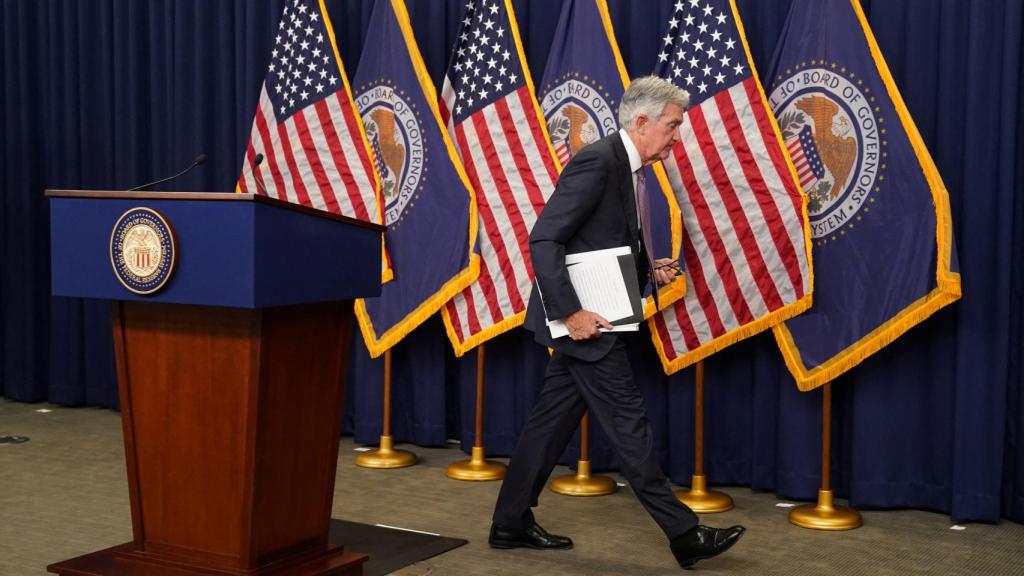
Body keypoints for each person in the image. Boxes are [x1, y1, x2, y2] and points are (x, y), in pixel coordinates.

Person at [488, 76, 745, 570]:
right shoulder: (598, 161)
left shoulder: (630, 166)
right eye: (671, 126)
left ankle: (510, 521)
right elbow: (545, 240)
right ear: (642, 122)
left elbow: (597, 239)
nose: (677, 137)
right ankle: (684, 534)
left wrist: (649, 269)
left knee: (548, 424)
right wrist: (571, 312)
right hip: (588, 322)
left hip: (597, 315)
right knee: (630, 425)